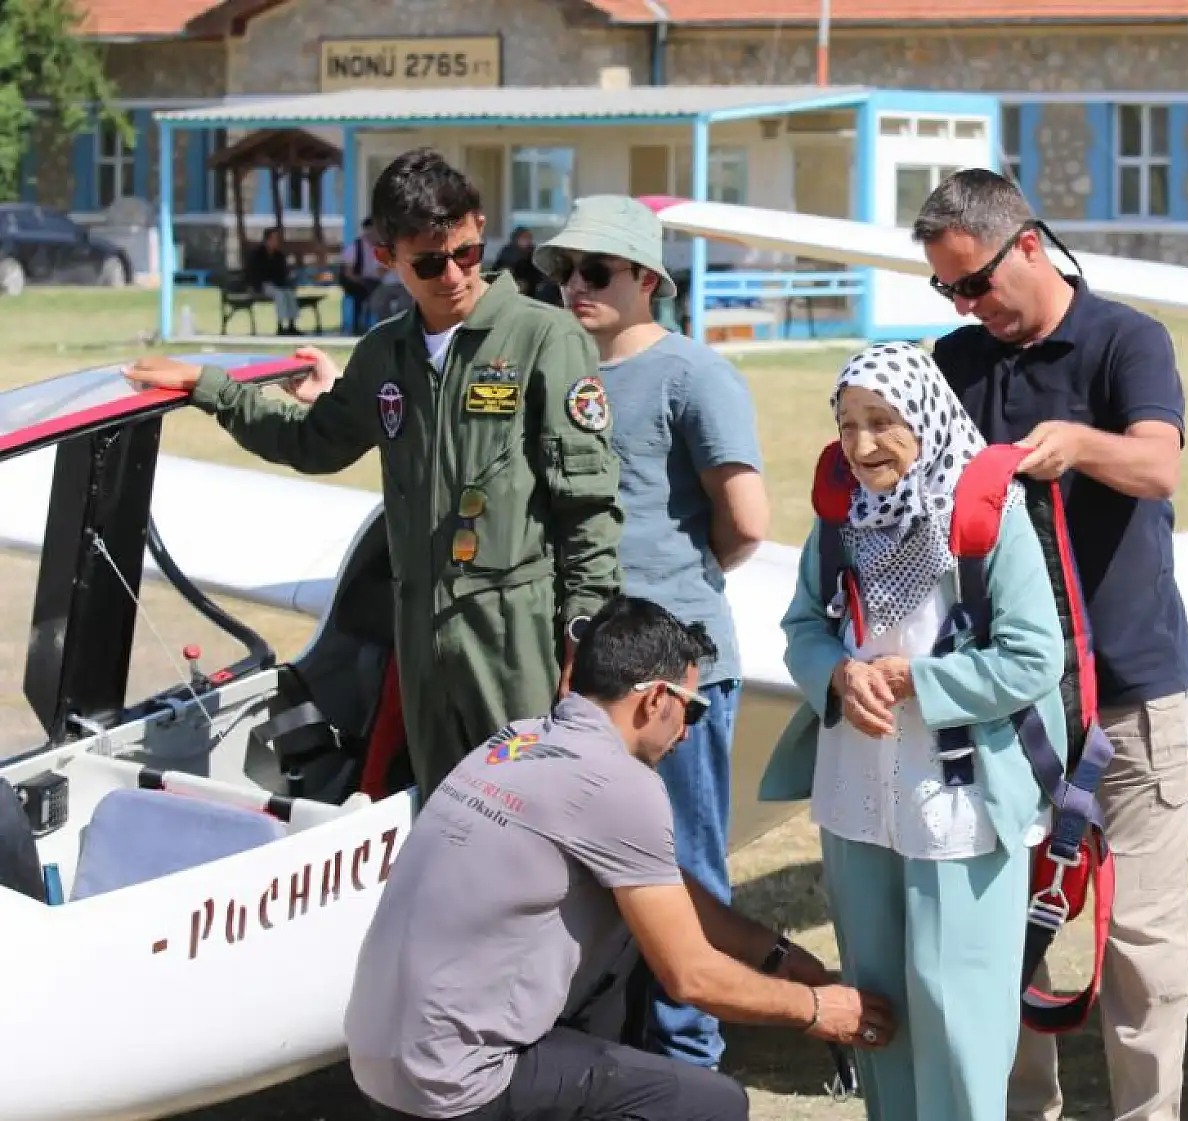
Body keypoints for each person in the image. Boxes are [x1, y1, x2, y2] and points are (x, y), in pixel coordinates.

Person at [121, 148, 623, 803]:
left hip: (514, 633)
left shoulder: (542, 340)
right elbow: (313, 441)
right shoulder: (385, 354)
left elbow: (586, 507)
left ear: (478, 227)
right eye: (429, 262)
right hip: (420, 634)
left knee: (536, 810)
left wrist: (583, 635)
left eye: (467, 253)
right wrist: (212, 388)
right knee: (449, 815)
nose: (454, 276)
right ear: (387, 258)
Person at [344, 594, 897, 1121]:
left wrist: (773, 953)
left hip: (377, 1061)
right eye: (693, 708)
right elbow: (691, 978)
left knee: (630, 931)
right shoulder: (620, 784)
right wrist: (819, 1010)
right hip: (453, 1087)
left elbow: (660, 885)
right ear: (656, 699)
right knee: (712, 1105)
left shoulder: (516, 740)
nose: (686, 732)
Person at [911, 168, 1188, 1121]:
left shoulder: (1128, 340)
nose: (966, 304)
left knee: (1141, 947)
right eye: (947, 289)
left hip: (1126, 696)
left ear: (1028, 245)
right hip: (1007, 702)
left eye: (976, 282)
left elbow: (1158, 464)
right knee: (1002, 931)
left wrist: (1078, 444)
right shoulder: (954, 362)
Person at [763, 340, 1068, 1121]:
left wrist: (919, 683)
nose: (861, 446)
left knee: (957, 1009)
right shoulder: (839, 519)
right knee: (879, 1003)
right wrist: (835, 670)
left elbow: (1034, 657)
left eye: (883, 422)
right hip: (858, 795)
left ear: (926, 420)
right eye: (848, 423)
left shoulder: (989, 520)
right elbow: (802, 625)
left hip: (960, 804)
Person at [532, 195, 771, 1072]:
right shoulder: (562, 370)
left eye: (595, 272)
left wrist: (669, 594)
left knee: (685, 871)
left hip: (674, 677)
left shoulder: (694, 376)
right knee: (596, 873)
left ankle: (686, 1068)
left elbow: (744, 520)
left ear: (645, 280)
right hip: (588, 679)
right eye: (563, 271)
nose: (575, 287)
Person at [248, 226, 301, 335]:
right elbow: (255, 274)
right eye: (273, 239)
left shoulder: (279, 255)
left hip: (278, 284)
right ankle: (280, 325)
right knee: (279, 294)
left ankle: (292, 324)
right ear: (267, 239)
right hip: (262, 285)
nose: (276, 242)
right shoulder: (257, 254)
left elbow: (282, 273)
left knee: (290, 293)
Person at [340, 217, 386, 333]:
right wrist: (362, 281)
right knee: (360, 294)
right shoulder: (355, 247)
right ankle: (358, 326)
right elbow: (348, 273)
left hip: (374, 280)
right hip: (355, 281)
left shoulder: (380, 247)